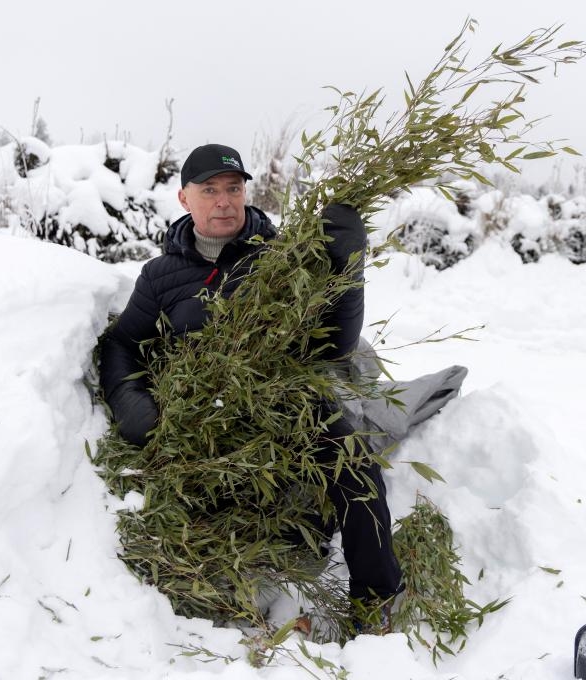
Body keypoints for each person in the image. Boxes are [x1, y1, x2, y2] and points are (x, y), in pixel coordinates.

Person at [98, 143, 401, 628]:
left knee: (355, 467)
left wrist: (348, 271)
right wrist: (130, 401)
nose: (224, 201)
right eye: (210, 190)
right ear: (184, 199)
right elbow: (122, 345)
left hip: (289, 401)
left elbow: (333, 347)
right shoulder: (161, 275)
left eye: (234, 189)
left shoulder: (282, 256)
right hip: (209, 416)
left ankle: (376, 598)